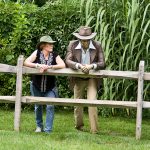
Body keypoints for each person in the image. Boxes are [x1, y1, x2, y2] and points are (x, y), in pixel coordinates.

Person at [65, 26, 105, 134]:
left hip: (92, 78)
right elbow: (68, 61)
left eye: (87, 40)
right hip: (78, 77)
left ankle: (94, 130)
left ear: (91, 39)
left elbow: (102, 63)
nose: (85, 42)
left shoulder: (97, 45)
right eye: (82, 40)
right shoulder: (72, 45)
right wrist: (78, 65)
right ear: (79, 39)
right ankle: (79, 127)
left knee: (92, 102)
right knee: (77, 103)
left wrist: (91, 66)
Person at [24, 35, 66, 133]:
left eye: (52, 44)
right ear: (43, 45)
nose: (52, 45)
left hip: (50, 87)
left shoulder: (55, 55)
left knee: (50, 105)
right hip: (36, 86)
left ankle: (48, 130)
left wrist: (49, 67)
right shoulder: (37, 53)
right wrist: (38, 65)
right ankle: (39, 127)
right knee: (38, 106)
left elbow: (62, 65)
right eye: (49, 44)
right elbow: (26, 62)